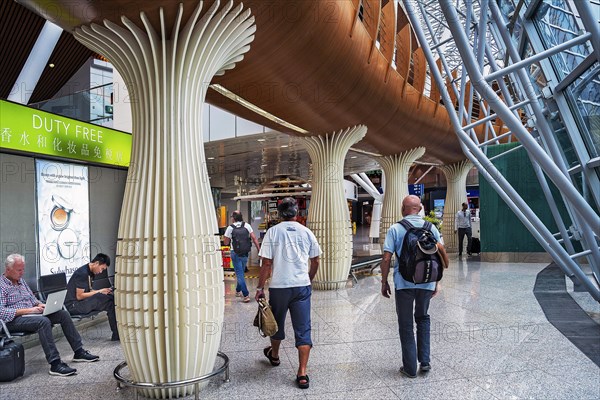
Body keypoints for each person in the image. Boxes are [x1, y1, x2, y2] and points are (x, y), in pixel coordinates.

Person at [380, 195, 449, 378]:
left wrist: (384, 281)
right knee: (423, 318)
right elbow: (439, 255)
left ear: (403, 208)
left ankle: (410, 368)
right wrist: (436, 282)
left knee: (406, 324)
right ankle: (425, 362)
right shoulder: (431, 228)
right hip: (426, 282)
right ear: (420, 209)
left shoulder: (396, 228)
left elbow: (386, 258)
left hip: (404, 283)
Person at [256, 197, 321, 389]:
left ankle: (274, 356)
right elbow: (316, 260)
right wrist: (308, 278)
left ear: (279, 214)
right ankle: (302, 373)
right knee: (303, 329)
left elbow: (267, 263)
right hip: (301, 286)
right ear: (296, 213)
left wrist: (260, 288)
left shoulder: (273, 232)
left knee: (276, 323)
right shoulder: (307, 232)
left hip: (279, 287)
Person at [0, 254, 100, 377]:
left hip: (32, 314)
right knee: (44, 322)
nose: (22, 273)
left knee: (63, 314)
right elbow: (1, 312)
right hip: (13, 320)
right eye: (19, 270)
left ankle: (79, 352)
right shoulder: (2, 285)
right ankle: (55, 364)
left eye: (23, 269)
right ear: (8, 269)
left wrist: (41, 305)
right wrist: (28, 310)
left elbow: (32, 299)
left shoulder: (21, 281)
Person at [65, 253, 118, 341]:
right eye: (102, 269)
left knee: (109, 298)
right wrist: (99, 291)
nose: (101, 272)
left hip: (81, 303)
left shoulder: (90, 272)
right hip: (74, 306)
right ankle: (116, 334)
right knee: (110, 303)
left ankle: (117, 334)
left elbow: (88, 291)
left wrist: (103, 291)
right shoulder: (82, 273)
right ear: (96, 263)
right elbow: (79, 296)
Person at [223, 210, 260, 303]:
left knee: (240, 274)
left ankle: (246, 295)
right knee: (241, 272)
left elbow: (226, 242)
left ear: (233, 218)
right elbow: (254, 238)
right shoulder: (247, 225)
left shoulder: (230, 228)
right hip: (245, 252)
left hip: (235, 253)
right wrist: (259, 250)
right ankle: (237, 290)